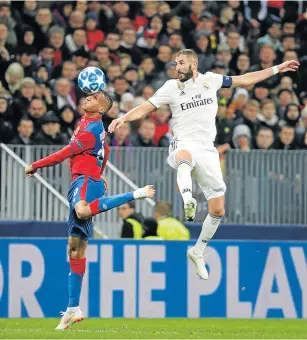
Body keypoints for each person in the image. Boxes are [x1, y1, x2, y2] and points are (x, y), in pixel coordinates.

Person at [109, 48, 299, 280]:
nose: (177, 67)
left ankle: (198, 250)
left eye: (181, 63)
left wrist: (277, 68)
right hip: (183, 142)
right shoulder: (170, 87)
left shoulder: (212, 80)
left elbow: (245, 79)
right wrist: (123, 117)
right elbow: (146, 107)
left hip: (208, 149)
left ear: (194, 64)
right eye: (175, 63)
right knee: (184, 158)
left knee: (218, 210)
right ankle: (188, 198)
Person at [24, 90, 155, 330]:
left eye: (94, 99)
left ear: (102, 109)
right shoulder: (92, 126)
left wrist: (35, 165)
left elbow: (64, 154)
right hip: (87, 179)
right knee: (75, 250)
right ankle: (73, 308)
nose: (87, 99)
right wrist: (101, 173)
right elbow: (102, 154)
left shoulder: (90, 130)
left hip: (84, 182)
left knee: (83, 211)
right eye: (88, 96)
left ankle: (136, 193)